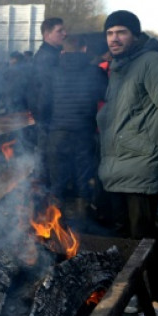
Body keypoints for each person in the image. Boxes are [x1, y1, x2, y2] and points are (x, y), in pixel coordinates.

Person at [97, 10, 158, 316]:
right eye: (110, 33)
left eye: (121, 32)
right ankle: (139, 293)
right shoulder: (119, 69)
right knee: (127, 240)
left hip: (140, 166)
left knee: (146, 242)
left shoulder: (154, 63)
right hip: (116, 167)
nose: (114, 38)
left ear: (135, 35)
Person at [47, 35, 107, 226]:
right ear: (84, 49)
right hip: (84, 132)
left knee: (58, 180)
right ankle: (82, 226)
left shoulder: (52, 72)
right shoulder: (95, 72)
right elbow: (104, 95)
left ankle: (56, 226)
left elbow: (43, 103)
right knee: (83, 178)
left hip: (58, 132)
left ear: (62, 51)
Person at [29, 17, 67, 186]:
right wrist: (45, 121)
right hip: (49, 121)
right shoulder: (45, 58)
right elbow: (43, 94)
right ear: (46, 35)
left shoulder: (53, 55)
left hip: (52, 120)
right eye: (59, 31)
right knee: (48, 163)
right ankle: (47, 200)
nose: (64, 34)